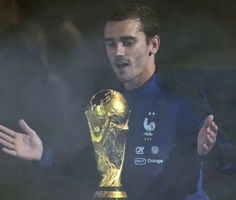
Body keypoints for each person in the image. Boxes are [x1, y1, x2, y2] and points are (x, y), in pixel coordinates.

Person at [0, 3, 235, 200]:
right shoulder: (109, 103)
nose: (118, 52)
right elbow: (96, 167)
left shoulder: (181, 97)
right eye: (110, 43)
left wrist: (210, 151)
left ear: (153, 45)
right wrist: (43, 155)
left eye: (128, 42)